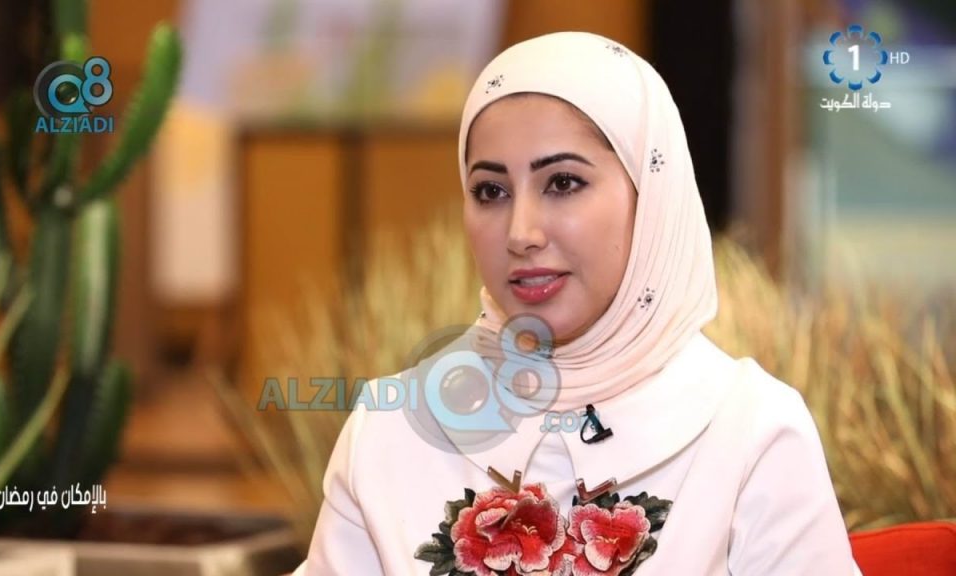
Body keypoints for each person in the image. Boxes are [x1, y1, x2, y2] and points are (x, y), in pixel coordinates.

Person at [292, 31, 861, 575]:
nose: (521, 233)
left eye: (563, 183)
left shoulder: (752, 433)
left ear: (649, 195)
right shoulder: (391, 431)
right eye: (491, 191)